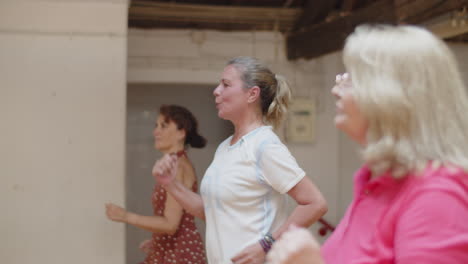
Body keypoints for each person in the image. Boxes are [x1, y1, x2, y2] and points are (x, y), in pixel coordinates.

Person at [266, 24, 468, 264]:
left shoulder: (436, 197)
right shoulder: (377, 182)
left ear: (394, 96)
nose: (335, 90)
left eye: (352, 78)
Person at [153, 56, 328, 264]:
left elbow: (315, 203)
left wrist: (267, 244)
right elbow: (212, 211)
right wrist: (170, 185)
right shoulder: (225, 147)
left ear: (252, 94)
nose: (216, 91)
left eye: (226, 84)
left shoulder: (265, 146)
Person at [105, 105, 207, 264]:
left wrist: (125, 216)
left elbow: (170, 224)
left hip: (179, 254)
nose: (156, 132)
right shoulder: (176, 163)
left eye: (164, 126)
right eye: (156, 126)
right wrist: (159, 241)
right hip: (173, 249)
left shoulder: (177, 166)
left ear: (181, 133)